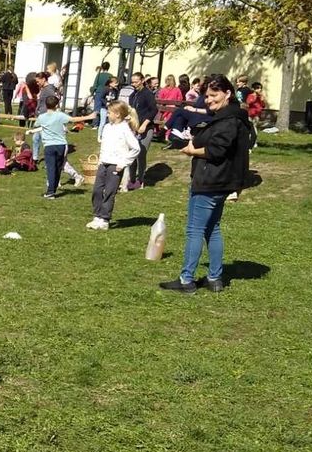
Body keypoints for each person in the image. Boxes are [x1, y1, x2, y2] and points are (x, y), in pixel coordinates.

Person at [160, 74, 253, 293]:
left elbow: (217, 150)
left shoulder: (229, 120)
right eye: (207, 96)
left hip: (211, 180)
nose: (209, 100)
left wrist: (192, 150)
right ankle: (214, 278)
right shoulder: (227, 116)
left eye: (214, 95)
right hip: (220, 181)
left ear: (228, 93)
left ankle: (187, 280)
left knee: (194, 230)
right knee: (212, 229)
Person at [86, 101, 141, 230]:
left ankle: (105, 219)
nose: (107, 114)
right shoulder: (107, 127)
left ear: (117, 114)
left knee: (110, 192)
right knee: (97, 190)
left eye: (109, 112)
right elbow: (104, 145)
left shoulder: (125, 129)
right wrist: (100, 161)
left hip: (115, 166)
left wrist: (123, 163)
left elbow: (135, 148)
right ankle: (97, 216)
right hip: (103, 163)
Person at [32, 96, 96, 198]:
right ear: (57, 105)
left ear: (46, 105)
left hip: (49, 146)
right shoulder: (60, 115)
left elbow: (36, 125)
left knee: (51, 169)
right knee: (58, 167)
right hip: (61, 145)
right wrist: (89, 117)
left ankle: (50, 192)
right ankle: (53, 189)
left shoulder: (42, 117)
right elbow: (73, 119)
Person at [128, 74, 158, 189]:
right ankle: (131, 179)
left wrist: (145, 124)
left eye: (136, 82)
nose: (133, 84)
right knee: (132, 153)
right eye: (132, 82)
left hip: (146, 128)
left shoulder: (147, 94)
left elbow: (154, 110)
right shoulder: (133, 95)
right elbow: (131, 111)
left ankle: (140, 180)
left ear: (142, 81)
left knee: (141, 154)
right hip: (134, 128)